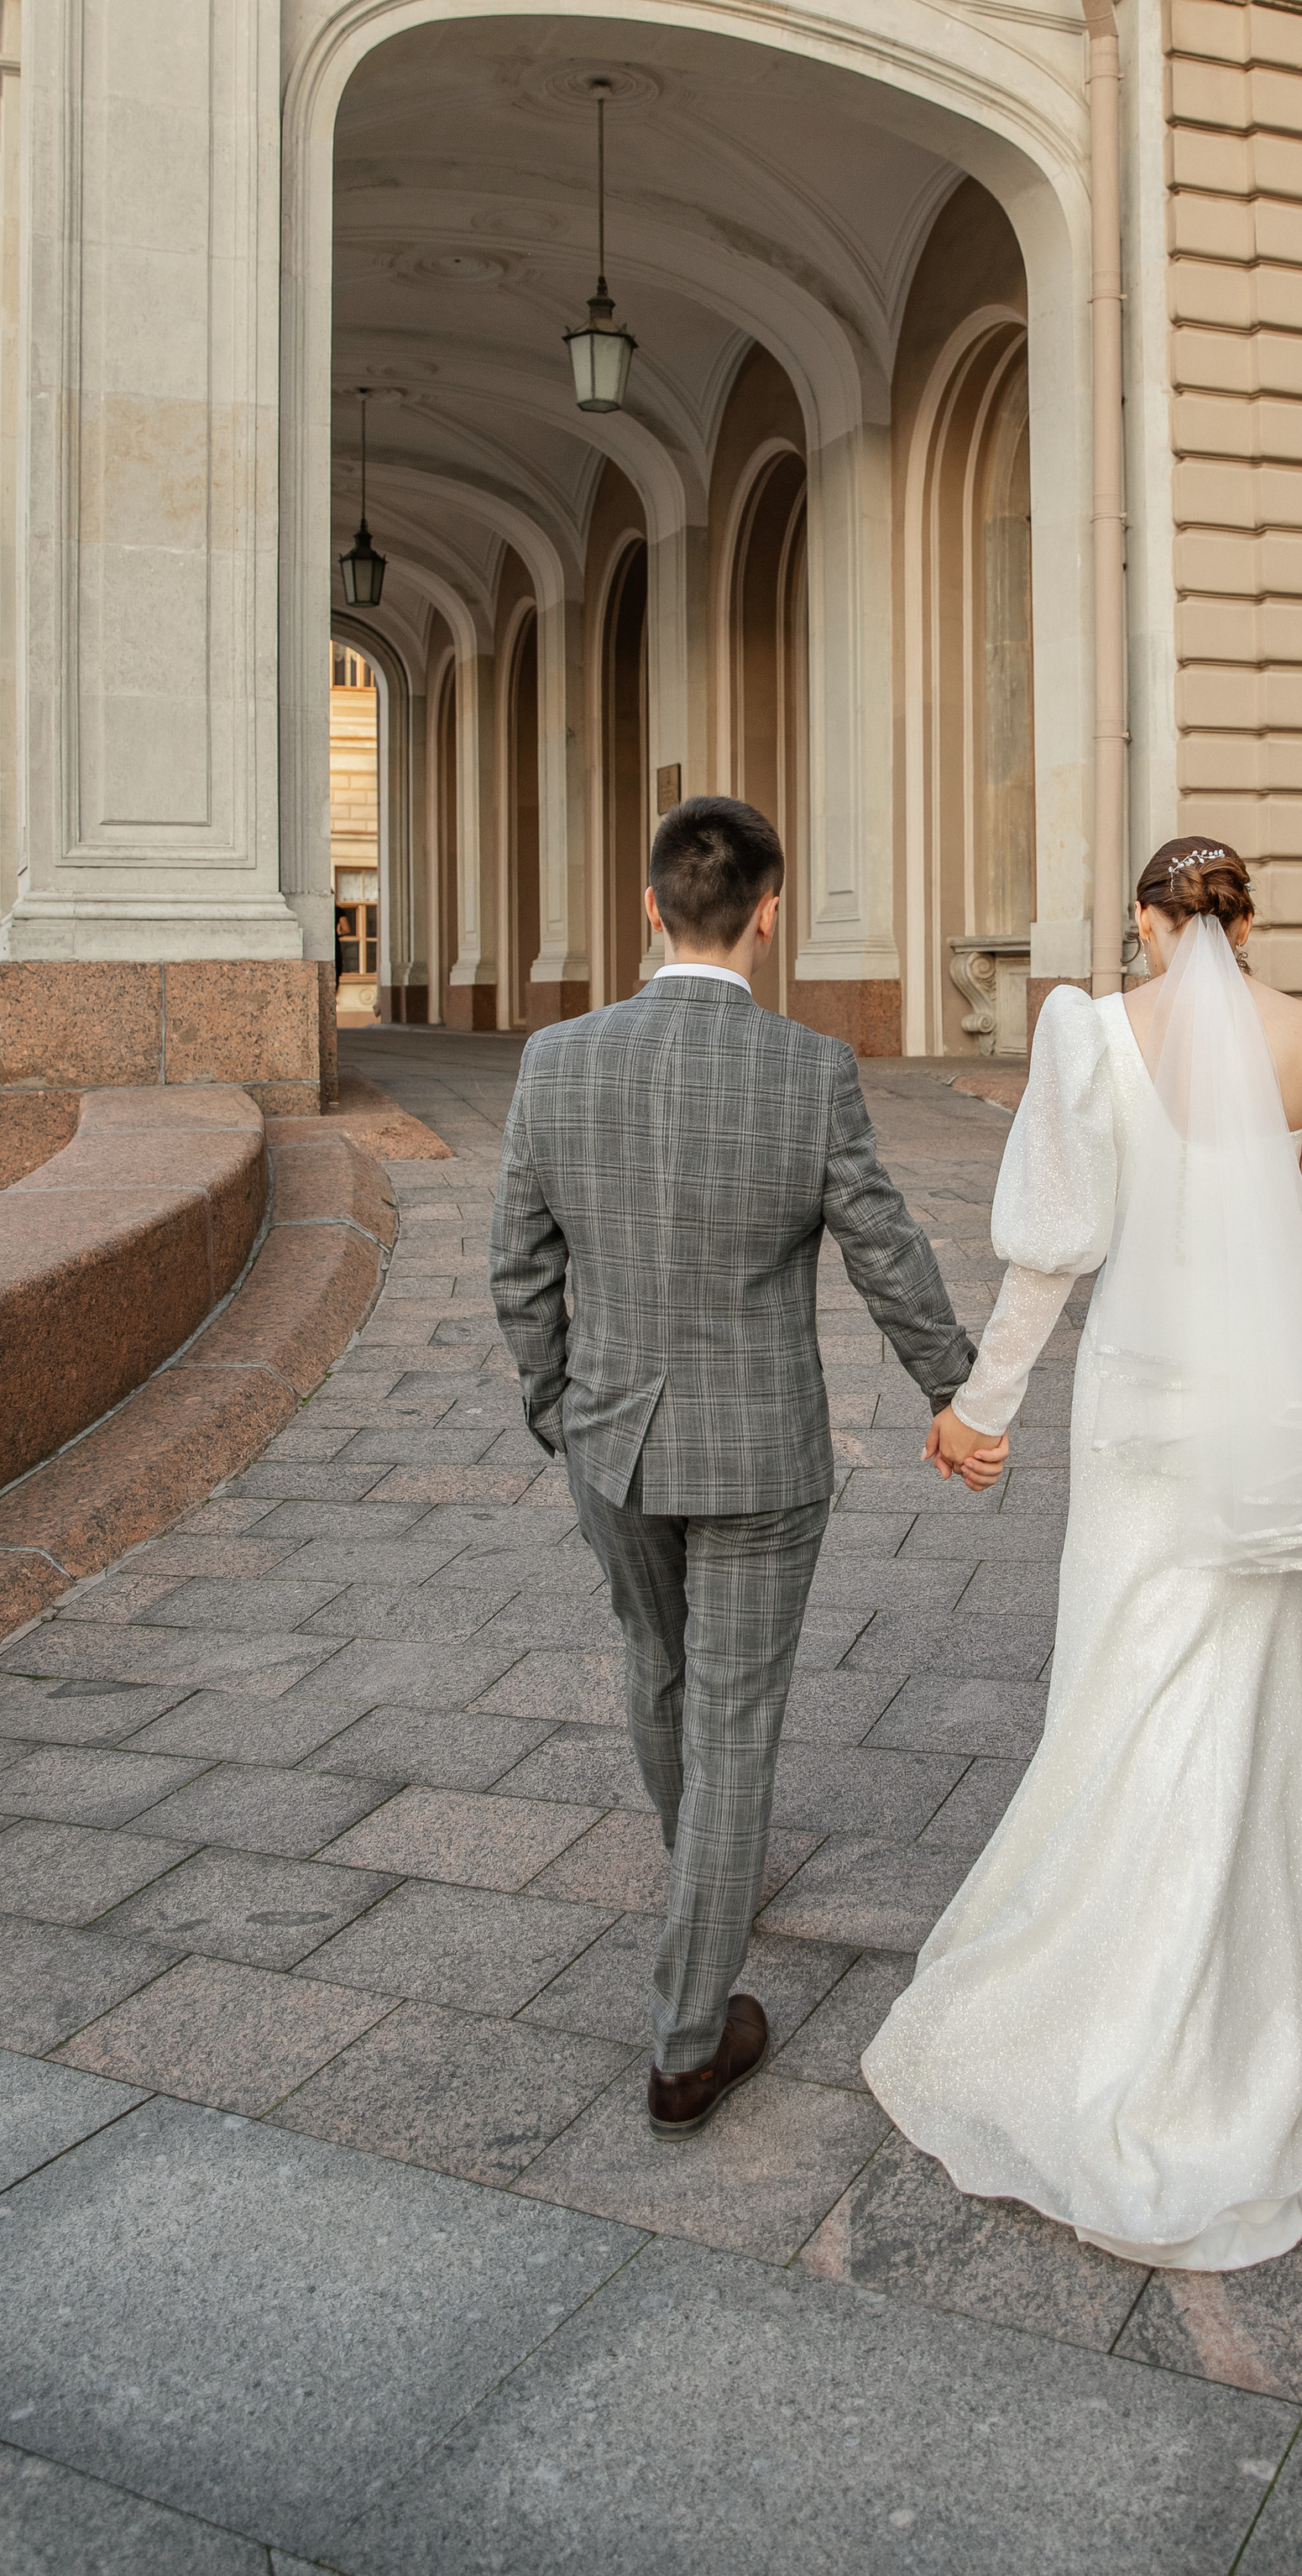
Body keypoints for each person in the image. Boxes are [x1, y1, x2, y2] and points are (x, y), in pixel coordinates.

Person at [863, 835, 1302, 2269]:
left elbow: (1052, 1253)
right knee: (1241, 1678)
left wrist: (979, 1410)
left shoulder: (1092, 1037)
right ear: (1247, 923)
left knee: (1124, 1672)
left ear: (1144, 922)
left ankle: (1098, 1986)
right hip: (1264, 1408)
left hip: (1137, 1415)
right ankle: (1252, 1982)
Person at [489, 796, 1007, 2139]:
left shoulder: (556, 1062)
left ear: (648, 907)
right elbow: (884, 1247)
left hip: (614, 1442)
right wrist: (959, 1389)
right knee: (734, 1721)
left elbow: (519, 1268)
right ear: (768, 914)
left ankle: (702, 1881)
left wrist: (561, 1409)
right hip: (763, 1451)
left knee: (657, 1674)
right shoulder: (810, 1069)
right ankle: (685, 2034)